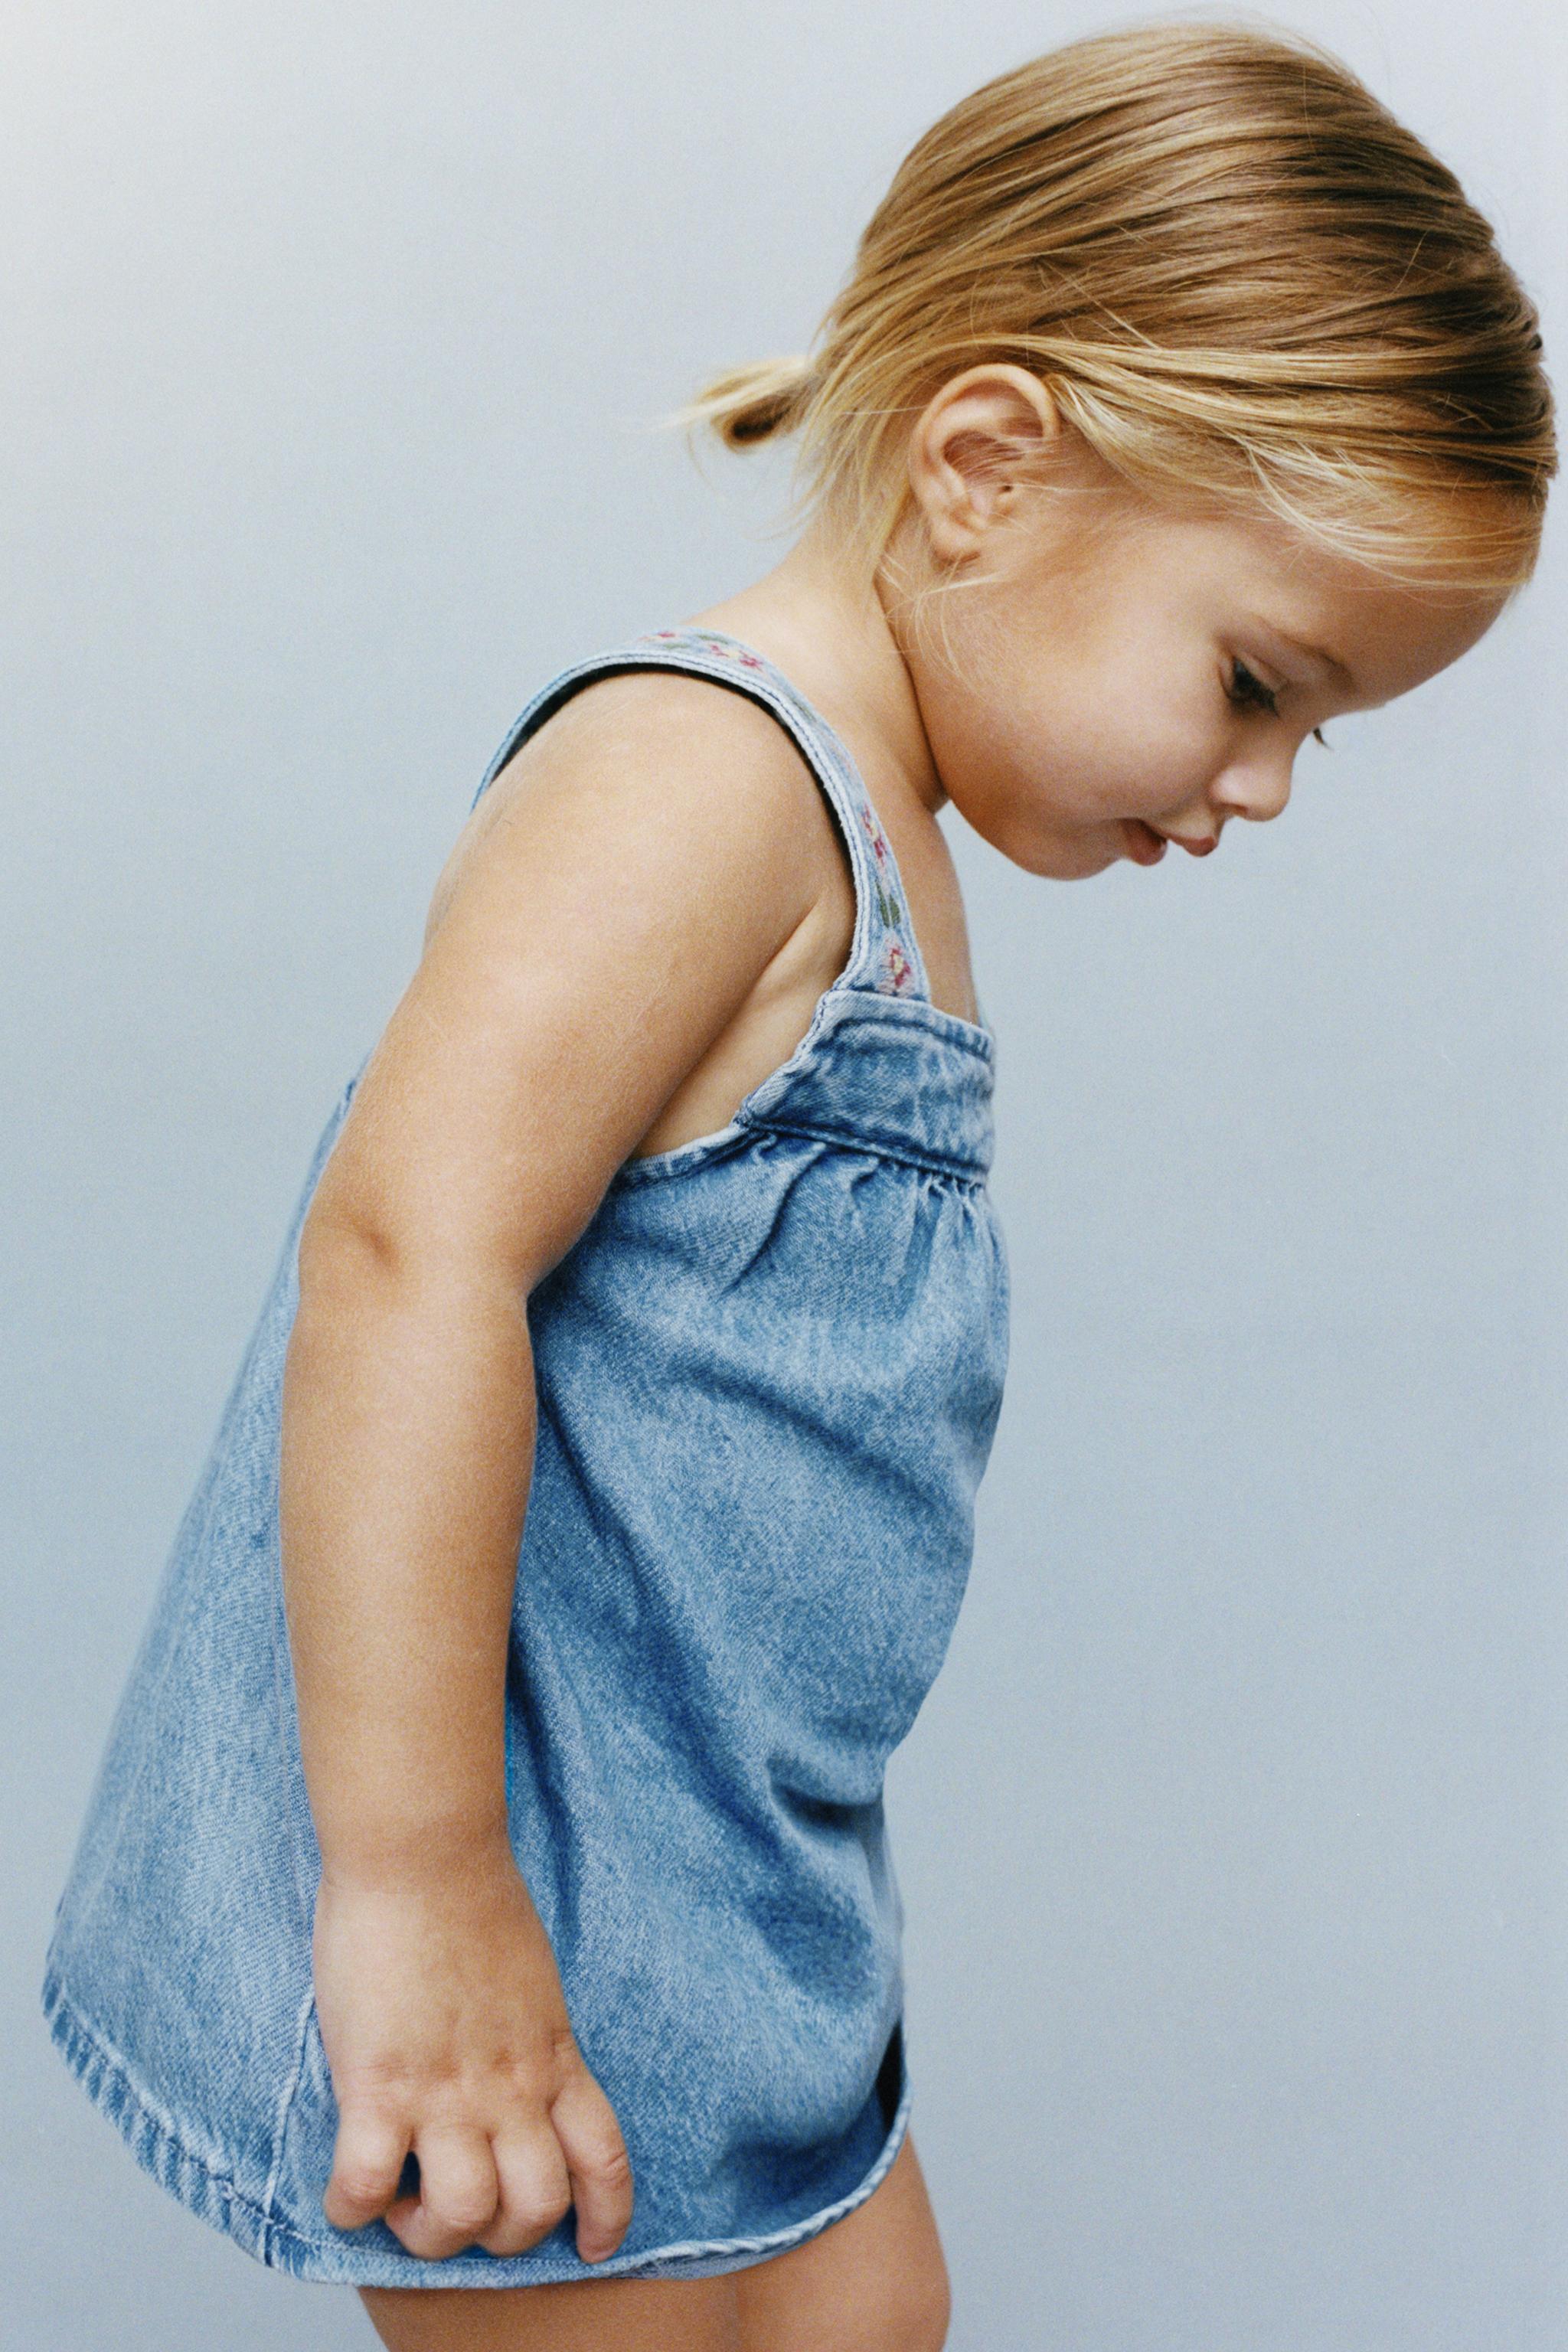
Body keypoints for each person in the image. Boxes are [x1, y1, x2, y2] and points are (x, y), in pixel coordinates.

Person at [41, 19, 1553, 2352]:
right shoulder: (702, 781)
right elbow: (404, 1251)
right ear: (983, 463)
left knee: (870, 2310)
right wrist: (422, 1889)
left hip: (729, 1866)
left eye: (1320, 727)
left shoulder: (881, 833)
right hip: (523, 1851)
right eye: (1259, 679)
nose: (1265, 785)